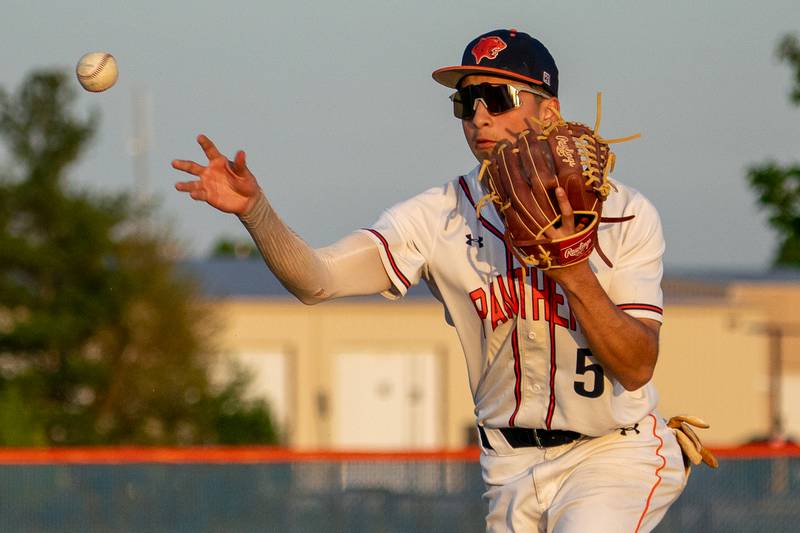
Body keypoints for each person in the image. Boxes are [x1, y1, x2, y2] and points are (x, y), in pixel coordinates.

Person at [173, 28, 686, 533]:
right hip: (509, 471)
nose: (479, 115)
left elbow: (637, 366)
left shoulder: (623, 214)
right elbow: (318, 281)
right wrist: (256, 212)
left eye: (497, 96)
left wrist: (571, 270)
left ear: (548, 112)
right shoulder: (440, 215)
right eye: (466, 101)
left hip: (614, 454)